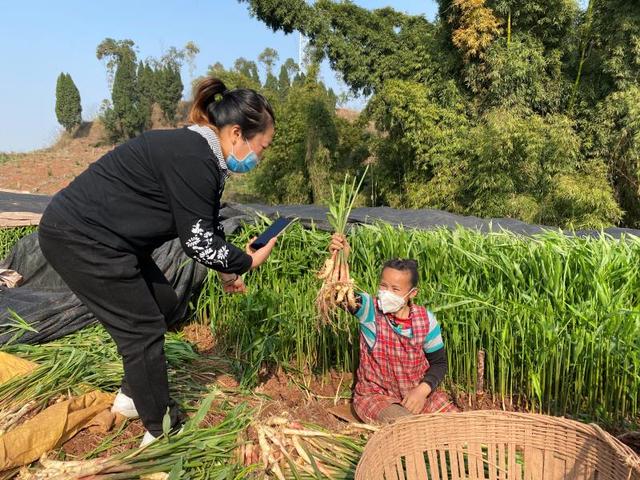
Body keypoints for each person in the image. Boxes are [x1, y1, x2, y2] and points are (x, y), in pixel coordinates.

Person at [38, 77, 277, 445]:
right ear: (235, 133)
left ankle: (134, 397)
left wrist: (227, 270)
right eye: (261, 146)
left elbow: (205, 225)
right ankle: (162, 429)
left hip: (109, 241)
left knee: (163, 302)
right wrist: (244, 261)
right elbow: (198, 241)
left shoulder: (203, 156)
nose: (260, 157)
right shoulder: (194, 157)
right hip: (81, 237)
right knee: (143, 329)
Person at [329, 234, 458, 424]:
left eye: (395, 289)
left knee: (460, 425)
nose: (386, 293)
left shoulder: (426, 321)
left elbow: (439, 363)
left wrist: (422, 390)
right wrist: (340, 259)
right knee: (407, 428)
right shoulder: (370, 311)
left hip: (417, 396)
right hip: (377, 397)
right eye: (383, 286)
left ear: (412, 293)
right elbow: (338, 293)